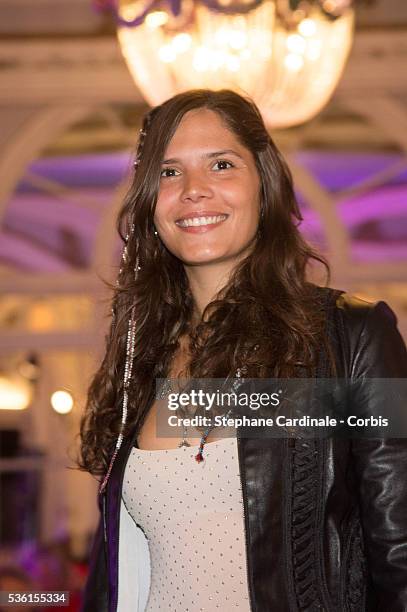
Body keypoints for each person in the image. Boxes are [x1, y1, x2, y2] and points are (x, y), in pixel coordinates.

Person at [78, 89, 407, 612]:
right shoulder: (142, 356)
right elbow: (115, 569)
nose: (192, 191)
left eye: (222, 164)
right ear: (149, 202)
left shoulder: (356, 335)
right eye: (168, 172)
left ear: (265, 184)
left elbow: (400, 554)